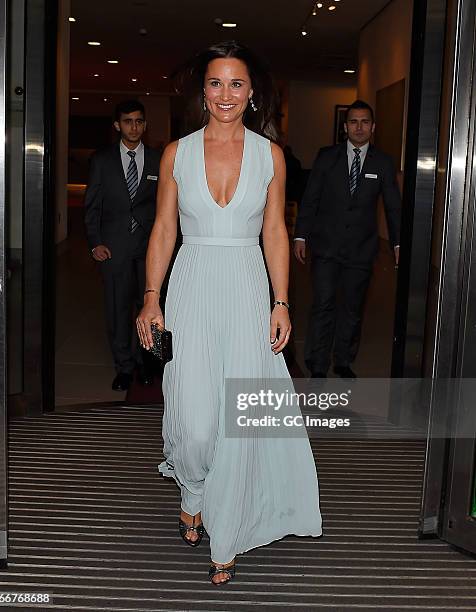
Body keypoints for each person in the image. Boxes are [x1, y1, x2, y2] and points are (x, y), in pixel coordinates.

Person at [136, 41, 322, 585]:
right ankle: (192, 490)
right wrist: (152, 295)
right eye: (216, 83)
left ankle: (228, 528)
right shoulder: (176, 152)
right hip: (191, 285)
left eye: (236, 83)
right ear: (204, 91)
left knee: (238, 419)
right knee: (193, 420)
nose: (225, 94)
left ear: (252, 93)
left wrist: (281, 301)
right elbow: (165, 229)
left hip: (246, 286)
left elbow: (274, 231)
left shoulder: (271, 156)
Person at [293, 100, 401, 379]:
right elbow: (311, 198)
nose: (359, 127)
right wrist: (301, 235)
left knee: (352, 308)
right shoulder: (326, 157)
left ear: (373, 127)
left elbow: (393, 206)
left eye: (365, 122)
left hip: (362, 250)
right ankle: (318, 362)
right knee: (323, 303)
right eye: (353, 121)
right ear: (345, 127)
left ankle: (343, 360)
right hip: (326, 246)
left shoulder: (383, 163)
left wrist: (398, 242)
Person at [84, 100, 161, 391]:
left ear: (145, 124)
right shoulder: (102, 160)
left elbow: (166, 205)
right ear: (117, 125)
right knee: (118, 309)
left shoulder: (158, 158)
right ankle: (125, 367)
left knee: (152, 306)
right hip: (114, 247)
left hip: (149, 247)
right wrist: (95, 243)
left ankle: (152, 364)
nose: (134, 127)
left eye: (139, 121)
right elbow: (92, 206)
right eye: (128, 121)